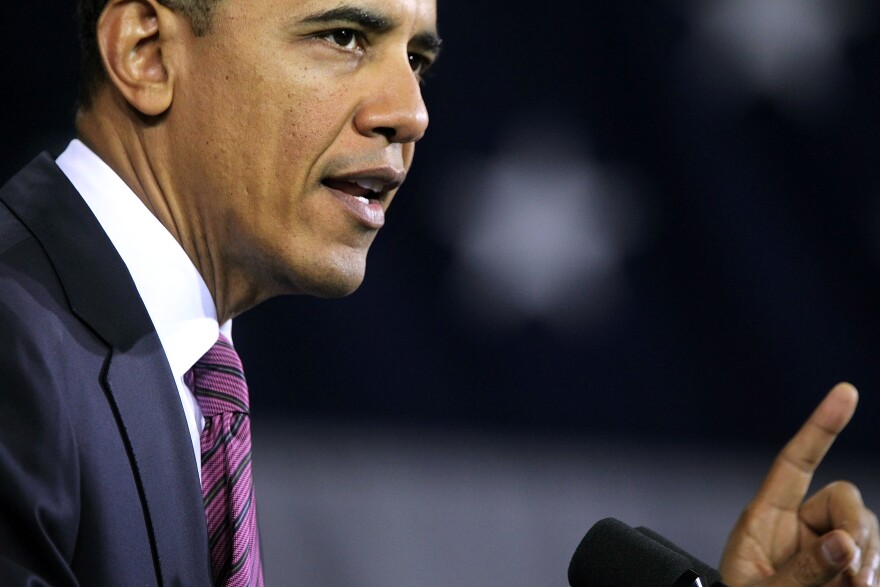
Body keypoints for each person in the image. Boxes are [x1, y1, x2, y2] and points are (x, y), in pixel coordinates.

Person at [0, 0, 875, 585]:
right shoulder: (18, 343)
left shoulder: (172, 369)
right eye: (344, 36)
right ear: (146, 52)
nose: (410, 110)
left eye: (416, 56)